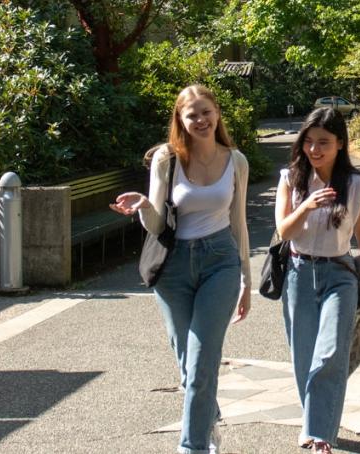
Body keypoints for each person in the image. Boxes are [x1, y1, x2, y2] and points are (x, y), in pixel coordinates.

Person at [110, 84, 251, 454]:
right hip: (173, 268)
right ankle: (209, 419)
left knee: (204, 358)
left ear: (217, 113)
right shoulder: (165, 159)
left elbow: (239, 224)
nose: (201, 120)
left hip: (220, 261)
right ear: (181, 120)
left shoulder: (236, 161)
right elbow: (156, 225)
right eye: (192, 115)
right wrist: (143, 204)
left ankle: (193, 446)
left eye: (206, 112)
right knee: (190, 364)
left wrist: (246, 280)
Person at [274, 107, 360, 454]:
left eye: (324, 143)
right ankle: (312, 425)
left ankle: (320, 435)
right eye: (309, 142)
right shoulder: (290, 179)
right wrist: (306, 206)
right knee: (304, 357)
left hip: (341, 273)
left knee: (330, 353)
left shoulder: (359, 184)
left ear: (340, 144)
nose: (314, 150)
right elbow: (283, 231)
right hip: (299, 272)